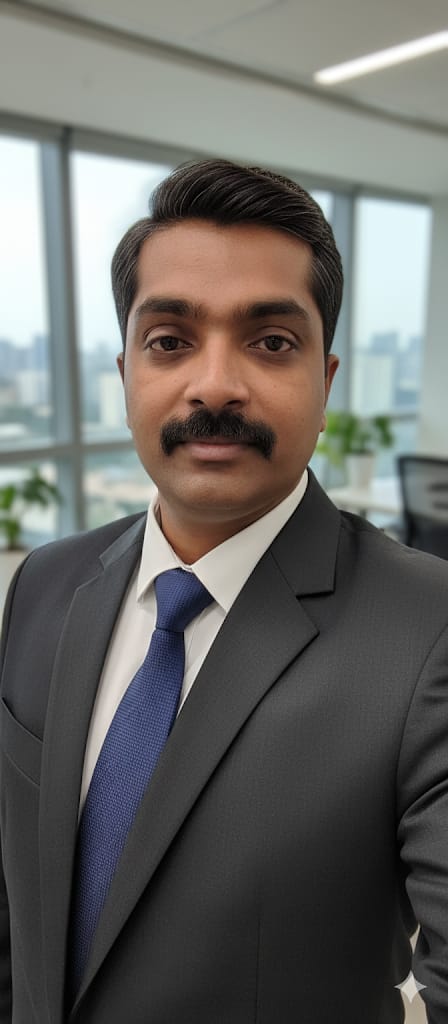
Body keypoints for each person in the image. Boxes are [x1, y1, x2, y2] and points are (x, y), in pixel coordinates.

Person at [1, 158, 447, 1024]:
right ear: (126, 372)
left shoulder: (428, 631)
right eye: (170, 341)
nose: (213, 385)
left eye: (271, 342)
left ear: (326, 381)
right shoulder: (46, 583)